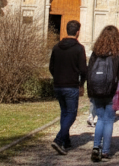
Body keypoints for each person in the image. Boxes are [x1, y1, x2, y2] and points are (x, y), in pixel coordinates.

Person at [87, 25, 119, 162]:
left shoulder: (95, 52)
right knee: (109, 120)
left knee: (100, 119)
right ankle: (105, 151)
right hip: (112, 91)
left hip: (97, 90)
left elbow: (89, 71)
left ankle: (96, 146)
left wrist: (90, 92)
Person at [48, 20, 87, 155]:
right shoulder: (79, 48)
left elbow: (51, 67)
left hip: (58, 85)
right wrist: (81, 83)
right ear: (77, 32)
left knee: (64, 112)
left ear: (66, 30)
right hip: (71, 85)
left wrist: (58, 77)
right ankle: (59, 140)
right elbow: (83, 69)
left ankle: (66, 141)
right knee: (71, 114)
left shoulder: (56, 47)